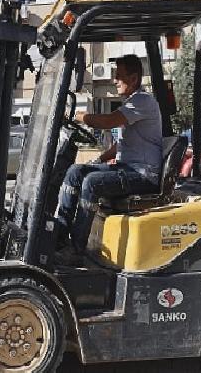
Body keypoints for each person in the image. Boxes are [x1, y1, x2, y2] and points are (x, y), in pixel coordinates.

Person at [55, 54, 163, 265]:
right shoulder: (131, 103)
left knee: (91, 182)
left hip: (143, 174)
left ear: (133, 79)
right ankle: (60, 232)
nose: (114, 80)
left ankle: (77, 248)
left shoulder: (143, 101)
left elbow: (108, 121)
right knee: (76, 171)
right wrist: (98, 159)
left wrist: (74, 116)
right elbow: (121, 145)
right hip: (127, 168)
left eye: (119, 76)